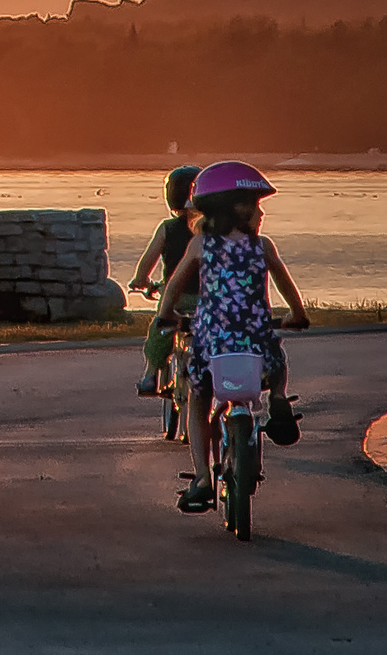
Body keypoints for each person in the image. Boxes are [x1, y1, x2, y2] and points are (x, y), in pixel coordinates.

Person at [154, 161, 311, 513]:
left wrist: (167, 316)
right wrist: (296, 318)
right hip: (256, 342)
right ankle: (279, 399)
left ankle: (202, 480)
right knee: (277, 364)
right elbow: (291, 296)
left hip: (213, 344)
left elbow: (173, 291)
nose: (261, 213)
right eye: (255, 205)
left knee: (198, 398)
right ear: (236, 209)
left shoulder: (200, 247)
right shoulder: (263, 247)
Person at [130, 165, 202, 396]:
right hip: (208, 298)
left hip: (177, 299)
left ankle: (150, 376)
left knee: (160, 330)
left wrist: (141, 281)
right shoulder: (211, 230)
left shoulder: (168, 229)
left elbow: (146, 263)